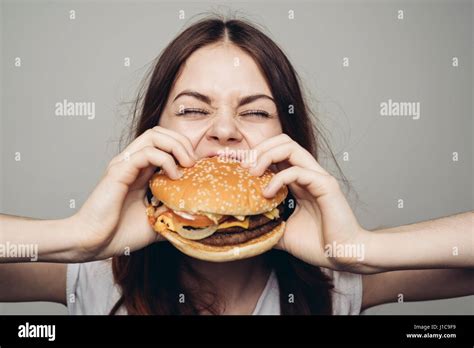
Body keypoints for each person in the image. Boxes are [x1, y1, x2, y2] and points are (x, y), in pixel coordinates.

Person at [0, 18, 472, 315]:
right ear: (151, 135)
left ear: (290, 141)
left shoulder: (340, 285)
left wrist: (362, 249)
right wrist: (76, 236)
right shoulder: (92, 274)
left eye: (254, 111)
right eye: (191, 109)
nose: (224, 130)